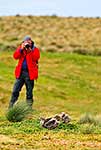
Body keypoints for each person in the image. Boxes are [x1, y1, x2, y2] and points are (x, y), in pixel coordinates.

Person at [9, 36, 40, 108]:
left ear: (31, 41)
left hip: (29, 74)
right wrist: (21, 49)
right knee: (15, 91)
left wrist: (30, 51)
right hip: (20, 73)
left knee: (29, 92)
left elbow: (36, 58)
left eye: (29, 41)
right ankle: (11, 108)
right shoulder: (21, 49)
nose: (27, 43)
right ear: (23, 42)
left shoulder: (35, 49)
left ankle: (28, 109)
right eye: (26, 41)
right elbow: (15, 56)